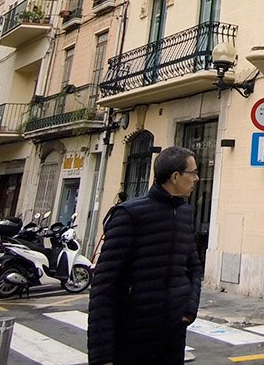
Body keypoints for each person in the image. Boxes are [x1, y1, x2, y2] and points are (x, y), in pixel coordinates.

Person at [88, 147, 202, 365]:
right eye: (193, 172)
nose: (196, 178)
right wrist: (101, 355)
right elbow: (104, 286)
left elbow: (193, 267)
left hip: (172, 335)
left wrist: (188, 308)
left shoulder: (185, 213)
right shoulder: (129, 215)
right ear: (175, 176)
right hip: (133, 337)